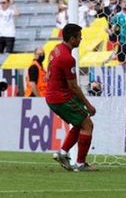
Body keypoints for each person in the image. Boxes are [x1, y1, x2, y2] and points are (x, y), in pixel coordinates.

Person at [46, 24, 97, 172]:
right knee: (88, 125)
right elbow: (73, 86)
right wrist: (88, 105)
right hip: (61, 97)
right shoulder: (67, 58)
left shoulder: (56, 49)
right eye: (79, 36)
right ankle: (80, 164)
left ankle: (62, 153)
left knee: (79, 123)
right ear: (72, 38)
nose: (81, 39)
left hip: (52, 96)